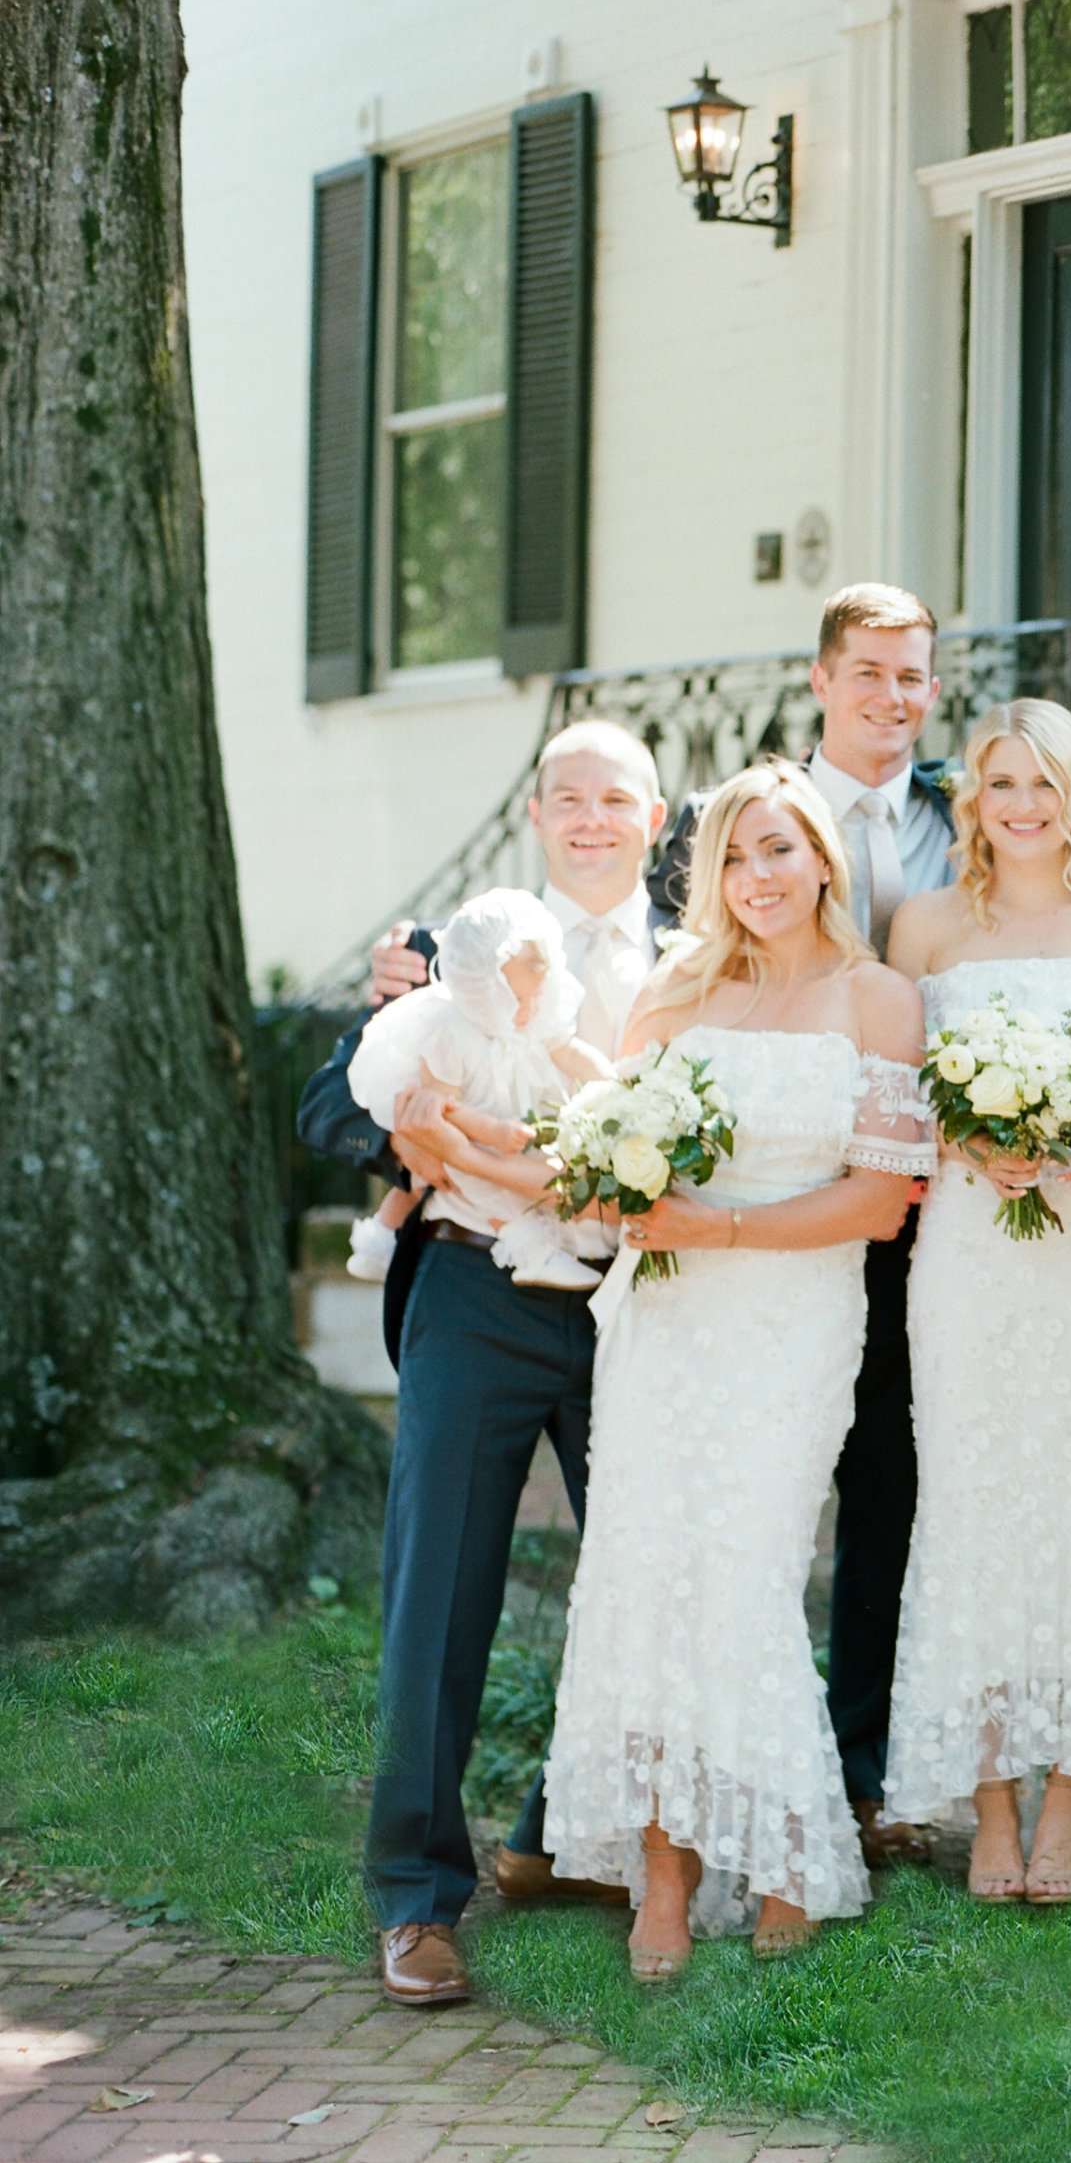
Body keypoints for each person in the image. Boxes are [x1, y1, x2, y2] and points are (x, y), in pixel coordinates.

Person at [297, 718, 669, 2006]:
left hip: (638, 1296)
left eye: (614, 798)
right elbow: (329, 1100)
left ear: (654, 821)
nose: (589, 818)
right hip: (468, 1284)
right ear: (537, 817)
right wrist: (406, 1129)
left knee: (644, 1577)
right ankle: (415, 1897)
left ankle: (565, 1830)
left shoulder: (694, 955)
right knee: (436, 1592)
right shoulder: (450, 942)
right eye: (566, 797)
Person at [542, 762, 931, 1975]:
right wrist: (616, 1184)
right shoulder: (674, 990)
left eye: (778, 851)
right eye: (735, 859)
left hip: (794, 1312)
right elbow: (612, 1155)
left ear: (821, 858)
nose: (758, 878)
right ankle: (666, 1864)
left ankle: (786, 1849)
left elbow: (879, 1204)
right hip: (668, 1321)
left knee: (749, 1575)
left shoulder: (879, 998)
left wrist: (728, 1229)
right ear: (709, 877)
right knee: (649, 1574)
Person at [651, 583, 957, 1872]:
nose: (893, 696)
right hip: (755, 1220)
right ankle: (704, 1765)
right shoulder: (739, 829)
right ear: (824, 678)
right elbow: (655, 963)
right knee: (733, 1512)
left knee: (888, 1489)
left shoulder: (971, 813)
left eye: (914, 676)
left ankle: (860, 1761)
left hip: (924, 1219)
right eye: (871, 673)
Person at [880, 700, 1071, 1906]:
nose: (1022, 804)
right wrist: (967, 1139)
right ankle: (992, 1799)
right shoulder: (926, 926)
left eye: (1045, 783)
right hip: (973, 1247)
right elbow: (896, 1097)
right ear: (975, 798)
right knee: (980, 1500)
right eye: (1000, 782)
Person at [345, 889, 614, 1291]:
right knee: (471, 1178)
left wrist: (612, 1084)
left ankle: (381, 1238)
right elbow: (442, 1109)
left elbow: (568, 1051)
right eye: (516, 1002)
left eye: (535, 996)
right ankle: (528, 1250)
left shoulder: (536, 1012)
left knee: (454, 1179)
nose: (529, 1012)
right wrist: (492, 1132)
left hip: (507, 1121)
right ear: (480, 993)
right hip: (465, 1124)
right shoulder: (451, 1034)